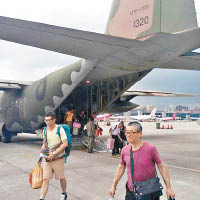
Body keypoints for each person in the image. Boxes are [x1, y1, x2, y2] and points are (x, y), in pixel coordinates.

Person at [109, 121, 175, 200]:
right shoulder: (124, 150)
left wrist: (169, 188)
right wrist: (113, 186)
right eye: (127, 132)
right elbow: (121, 168)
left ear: (140, 134)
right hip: (131, 193)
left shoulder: (150, 149)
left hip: (149, 192)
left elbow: (161, 167)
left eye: (131, 132)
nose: (128, 135)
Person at [40, 112, 68, 200]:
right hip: (48, 159)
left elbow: (65, 144)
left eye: (49, 120)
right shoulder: (45, 130)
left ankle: (63, 193)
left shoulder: (59, 129)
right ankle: (42, 198)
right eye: (46, 120)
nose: (47, 122)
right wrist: (43, 154)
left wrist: (54, 154)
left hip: (58, 158)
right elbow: (44, 144)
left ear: (54, 120)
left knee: (61, 177)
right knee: (45, 179)